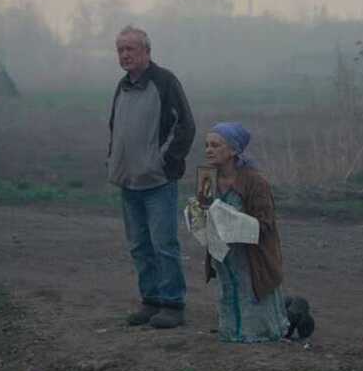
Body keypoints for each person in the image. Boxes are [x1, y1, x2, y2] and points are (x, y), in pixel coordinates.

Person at [107, 25, 195, 329]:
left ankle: (173, 304)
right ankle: (151, 301)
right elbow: (116, 128)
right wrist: (114, 160)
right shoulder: (123, 86)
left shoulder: (165, 81)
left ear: (146, 51)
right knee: (139, 246)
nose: (124, 55)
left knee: (164, 244)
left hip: (157, 182)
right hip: (128, 181)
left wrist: (163, 163)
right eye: (120, 50)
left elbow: (185, 126)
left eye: (130, 49)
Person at [203, 122, 289, 342]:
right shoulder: (207, 177)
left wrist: (235, 223)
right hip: (224, 256)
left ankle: (267, 330)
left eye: (216, 145)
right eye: (207, 145)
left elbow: (266, 225)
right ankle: (230, 332)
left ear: (233, 150)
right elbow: (203, 212)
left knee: (252, 300)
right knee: (227, 293)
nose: (209, 150)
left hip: (251, 257)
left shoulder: (255, 182)